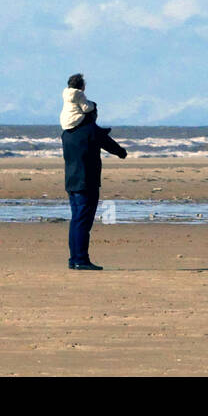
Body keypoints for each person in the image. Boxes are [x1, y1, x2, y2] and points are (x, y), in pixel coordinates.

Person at [59, 73, 126, 270]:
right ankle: (80, 259)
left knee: (76, 220)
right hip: (86, 181)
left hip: (71, 181)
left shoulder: (67, 132)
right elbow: (109, 144)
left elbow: (98, 135)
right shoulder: (89, 130)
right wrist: (122, 153)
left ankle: (75, 258)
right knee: (83, 222)